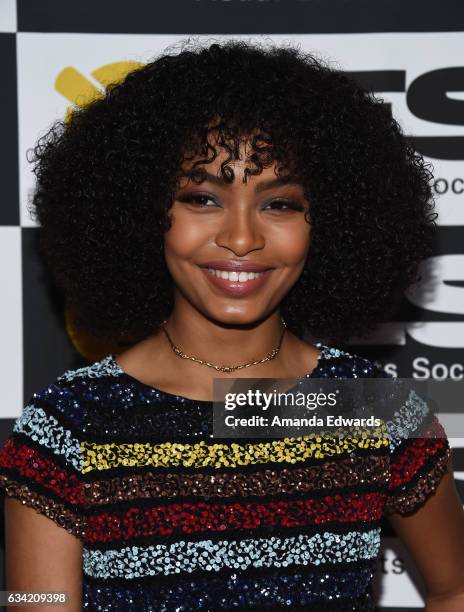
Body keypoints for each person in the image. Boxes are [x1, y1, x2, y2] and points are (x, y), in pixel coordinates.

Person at [0, 37, 463, 612]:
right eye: (202, 198)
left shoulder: (369, 406)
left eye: (280, 204)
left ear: (335, 221)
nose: (241, 239)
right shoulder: (70, 427)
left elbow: (455, 588)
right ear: (142, 211)